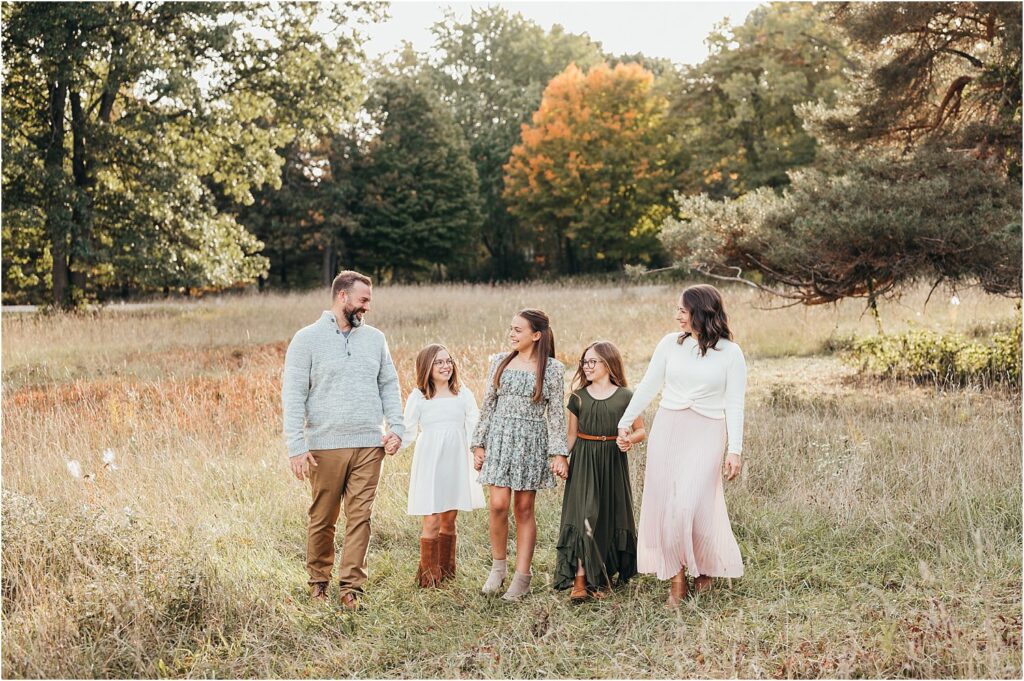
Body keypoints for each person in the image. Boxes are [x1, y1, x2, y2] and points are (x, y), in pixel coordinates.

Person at [616, 284, 747, 607]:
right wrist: (625, 420)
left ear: (702, 312)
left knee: (693, 503)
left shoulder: (731, 353)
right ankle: (677, 577)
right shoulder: (669, 345)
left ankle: (705, 566)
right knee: (668, 503)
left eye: (683, 310)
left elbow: (735, 403)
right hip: (669, 428)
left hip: (707, 430)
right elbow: (649, 385)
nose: (677, 316)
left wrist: (735, 449)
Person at [281, 270, 404, 610]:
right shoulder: (306, 339)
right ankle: (319, 582)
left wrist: (396, 428)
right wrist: (296, 446)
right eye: (363, 300)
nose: (367, 307)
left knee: (360, 517)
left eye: (369, 301)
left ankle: (351, 588)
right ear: (342, 297)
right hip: (324, 446)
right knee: (323, 517)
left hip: (369, 443)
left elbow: (389, 385)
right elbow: (293, 396)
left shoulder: (375, 339)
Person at [472, 308, 568, 601]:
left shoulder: (551, 368)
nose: (511, 334)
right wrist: (479, 443)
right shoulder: (500, 361)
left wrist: (558, 452)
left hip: (531, 441)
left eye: (518, 330)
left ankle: (522, 576)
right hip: (500, 437)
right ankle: (498, 568)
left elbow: (555, 414)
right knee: (498, 504)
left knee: (523, 508)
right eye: (511, 329)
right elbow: (488, 404)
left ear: (536, 335)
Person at [551, 341, 645, 603]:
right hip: (584, 460)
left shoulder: (626, 396)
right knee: (585, 515)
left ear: (608, 363)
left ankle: (602, 576)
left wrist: (629, 440)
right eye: (585, 362)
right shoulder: (578, 397)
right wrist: (561, 457)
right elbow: (571, 436)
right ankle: (580, 579)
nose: (586, 366)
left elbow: (640, 430)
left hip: (612, 461)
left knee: (607, 515)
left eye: (593, 362)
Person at [402, 343, 485, 587]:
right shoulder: (419, 396)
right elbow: (407, 429)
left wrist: (478, 451)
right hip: (430, 460)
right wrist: (392, 442)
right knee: (432, 518)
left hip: (456, 460)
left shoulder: (463, 394)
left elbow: (474, 424)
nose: (445, 366)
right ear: (427, 366)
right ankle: (428, 577)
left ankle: (447, 572)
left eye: (448, 361)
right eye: (438, 362)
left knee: (449, 518)